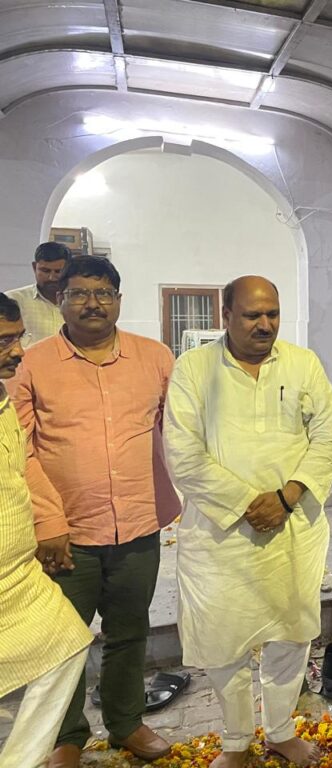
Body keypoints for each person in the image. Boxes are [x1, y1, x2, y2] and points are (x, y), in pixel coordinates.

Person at [162, 276, 332, 768]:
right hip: (220, 534)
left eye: (272, 314)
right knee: (224, 642)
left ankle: (281, 731)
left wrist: (287, 497)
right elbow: (183, 455)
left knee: (292, 634)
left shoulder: (303, 364)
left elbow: (327, 438)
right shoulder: (194, 369)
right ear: (225, 316)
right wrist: (249, 503)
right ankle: (236, 742)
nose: (265, 324)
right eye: (252, 315)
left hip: (294, 528)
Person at [9, 256, 178, 767]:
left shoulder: (155, 358)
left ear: (119, 300)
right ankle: (67, 736)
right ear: (59, 300)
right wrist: (47, 521)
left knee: (130, 631)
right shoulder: (33, 363)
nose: (92, 303)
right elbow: (20, 448)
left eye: (103, 293)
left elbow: (178, 431)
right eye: (79, 293)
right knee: (63, 643)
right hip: (66, 533)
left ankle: (127, 723)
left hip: (138, 525)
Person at [0, 294, 94, 768]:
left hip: (17, 574)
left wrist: (50, 521)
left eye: (18, 338)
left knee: (67, 643)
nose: (18, 352)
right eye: (4, 341)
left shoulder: (2, 400)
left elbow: (21, 467)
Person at [5, 242, 71, 347]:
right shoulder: (12, 301)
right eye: (45, 271)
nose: (51, 277)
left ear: (69, 270)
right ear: (34, 267)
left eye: (58, 271)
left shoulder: (78, 303)